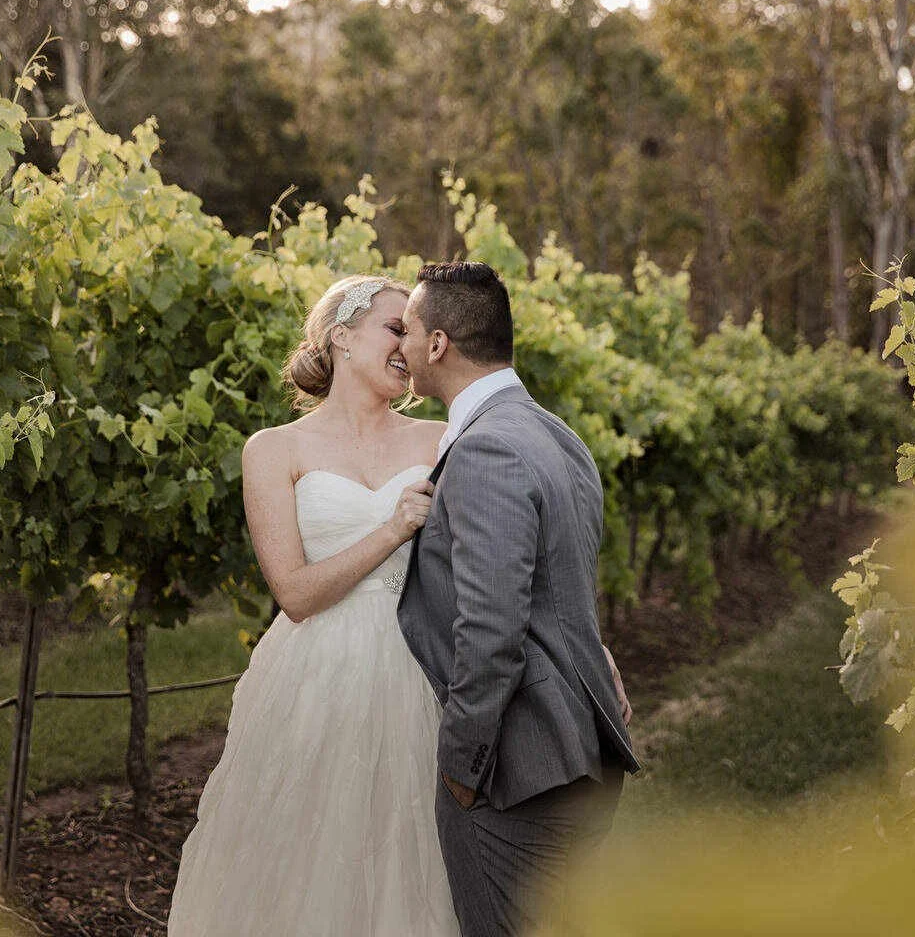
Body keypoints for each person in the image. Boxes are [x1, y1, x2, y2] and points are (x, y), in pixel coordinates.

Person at [166, 274, 460, 935]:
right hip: (312, 678)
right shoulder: (274, 449)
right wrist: (393, 529)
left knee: (405, 855)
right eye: (396, 328)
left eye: (413, 333)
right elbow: (294, 595)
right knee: (305, 854)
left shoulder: (439, 439)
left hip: (421, 668)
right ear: (343, 337)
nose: (410, 346)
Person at [396, 260, 642, 937]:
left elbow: (491, 629)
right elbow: (561, 592)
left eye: (409, 329)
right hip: (580, 753)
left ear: (440, 343)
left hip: (523, 771)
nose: (402, 345)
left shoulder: (485, 450)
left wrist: (462, 768)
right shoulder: (557, 434)